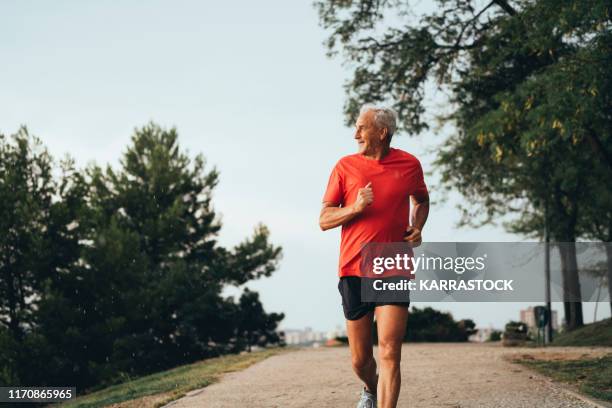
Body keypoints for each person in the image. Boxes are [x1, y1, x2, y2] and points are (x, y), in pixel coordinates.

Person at [319, 105, 429, 408]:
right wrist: (355, 207)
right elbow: (324, 219)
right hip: (353, 268)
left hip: (392, 263)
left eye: (361, 128)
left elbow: (421, 200)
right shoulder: (345, 167)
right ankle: (370, 387)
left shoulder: (409, 165)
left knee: (391, 351)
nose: (355, 134)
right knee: (360, 359)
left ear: (382, 132)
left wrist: (417, 227)